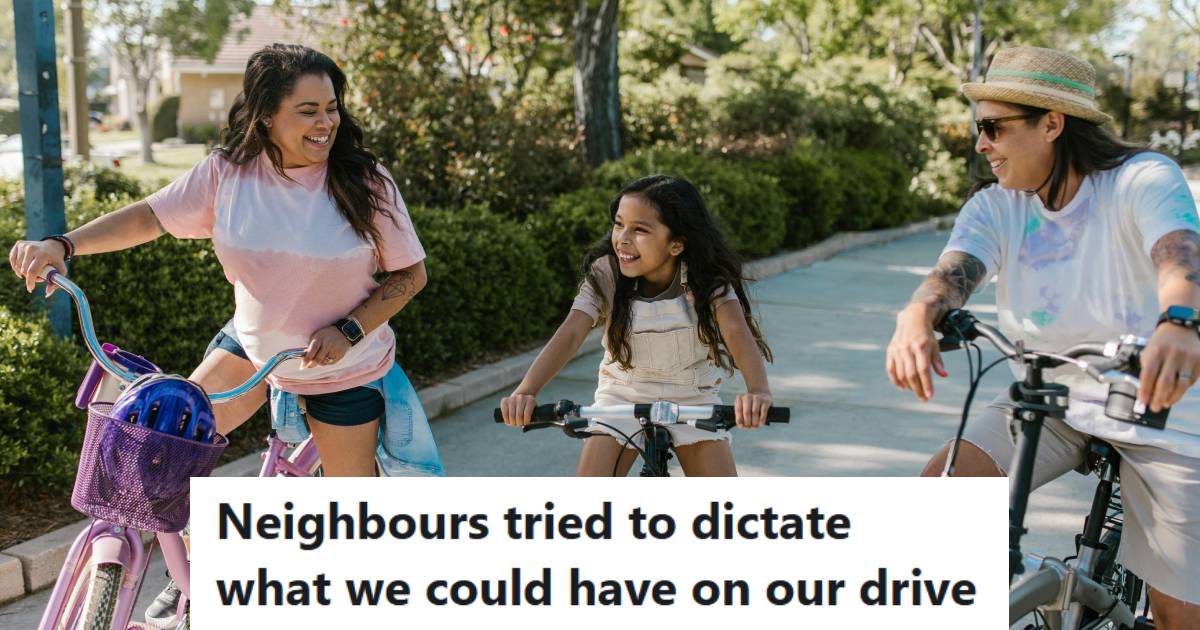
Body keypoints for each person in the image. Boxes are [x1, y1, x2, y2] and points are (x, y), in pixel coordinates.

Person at [9, 43, 442, 628]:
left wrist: (349, 329)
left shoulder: (364, 182)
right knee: (164, 443)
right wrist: (63, 244)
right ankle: (193, 569)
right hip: (253, 349)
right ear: (267, 115)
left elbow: (409, 274)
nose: (326, 123)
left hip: (341, 363)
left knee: (353, 521)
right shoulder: (230, 172)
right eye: (308, 110)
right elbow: (151, 216)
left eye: (331, 108)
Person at [885, 46, 1200, 628]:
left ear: (1052, 124)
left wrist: (1179, 322)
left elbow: (1179, 252)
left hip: (1164, 409)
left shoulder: (1141, 179)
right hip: (1053, 398)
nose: (981, 143)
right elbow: (955, 272)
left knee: (1180, 613)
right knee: (941, 495)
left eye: (993, 127)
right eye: (979, 128)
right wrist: (916, 315)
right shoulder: (997, 205)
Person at [498, 175, 775, 476]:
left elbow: (736, 332)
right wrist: (526, 391)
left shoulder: (705, 280)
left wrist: (757, 390)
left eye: (640, 230)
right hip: (621, 396)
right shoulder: (607, 274)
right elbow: (572, 330)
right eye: (619, 224)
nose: (623, 239)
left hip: (692, 396)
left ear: (676, 244)